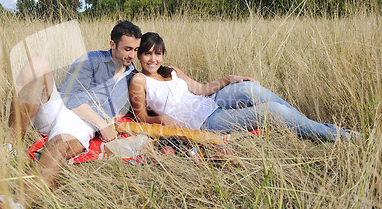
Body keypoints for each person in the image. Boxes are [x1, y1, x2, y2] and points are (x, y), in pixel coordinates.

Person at [0, 20, 142, 209]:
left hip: (80, 125)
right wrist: (103, 124)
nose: (132, 55)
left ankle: (18, 206)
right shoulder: (92, 59)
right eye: (127, 49)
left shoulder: (134, 77)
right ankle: (9, 147)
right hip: (59, 105)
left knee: (59, 146)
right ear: (113, 45)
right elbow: (71, 95)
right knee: (37, 64)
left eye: (136, 50)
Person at [129, 32, 358, 143]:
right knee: (272, 112)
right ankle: (336, 135)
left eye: (157, 53)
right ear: (139, 55)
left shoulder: (171, 70)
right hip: (203, 121)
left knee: (250, 89)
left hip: (211, 102)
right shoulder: (139, 81)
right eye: (147, 53)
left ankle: (309, 124)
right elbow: (140, 119)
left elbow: (201, 89)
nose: (153, 59)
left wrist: (228, 79)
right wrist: (162, 120)